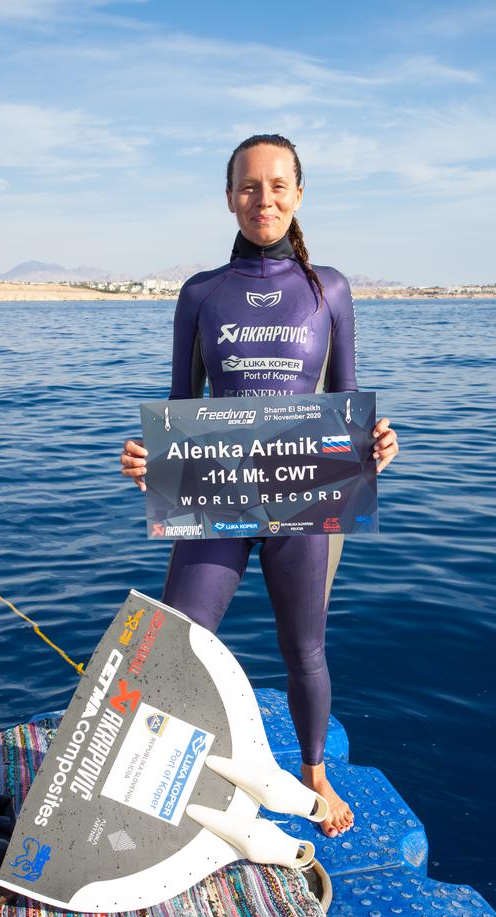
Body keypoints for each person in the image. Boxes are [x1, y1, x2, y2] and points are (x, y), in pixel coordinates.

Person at [121, 134, 399, 838]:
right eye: (249, 186)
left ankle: (313, 773)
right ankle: (153, 770)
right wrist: (150, 460)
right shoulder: (200, 293)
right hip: (217, 489)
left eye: (278, 186)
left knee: (303, 645)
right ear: (229, 197)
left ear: (298, 194)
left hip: (306, 496)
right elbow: (181, 404)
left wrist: (374, 447)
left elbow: (347, 398)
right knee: (178, 636)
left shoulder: (326, 288)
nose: (263, 199)